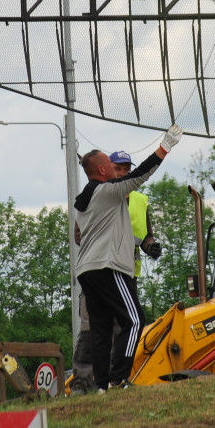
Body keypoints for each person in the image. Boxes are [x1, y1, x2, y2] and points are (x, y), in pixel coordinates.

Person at [74, 124, 182, 392]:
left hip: (86, 270)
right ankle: (118, 379)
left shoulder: (82, 200)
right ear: (101, 170)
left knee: (100, 331)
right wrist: (165, 146)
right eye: (110, 166)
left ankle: (101, 386)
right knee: (134, 320)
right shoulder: (107, 192)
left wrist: (145, 245)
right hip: (108, 266)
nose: (115, 169)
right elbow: (140, 174)